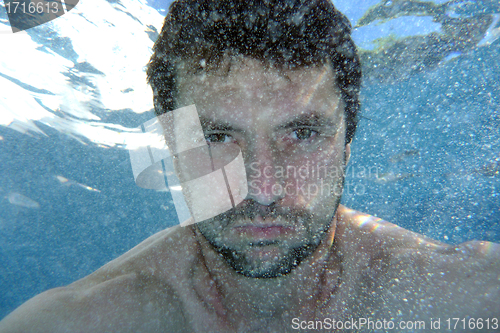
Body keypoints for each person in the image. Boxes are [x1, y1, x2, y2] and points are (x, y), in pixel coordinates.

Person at [1, 0, 499, 332]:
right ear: (172, 149)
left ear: (347, 144)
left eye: (301, 133)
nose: (262, 187)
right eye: (218, 136)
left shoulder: (470, 300)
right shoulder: (80, 322)